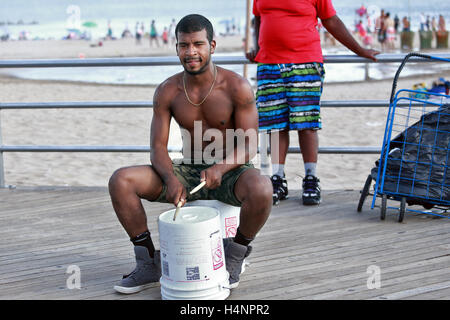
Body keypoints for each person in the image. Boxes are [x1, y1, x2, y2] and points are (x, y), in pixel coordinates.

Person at [109, 14, 273, 294]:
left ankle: (235, 254)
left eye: (198, 44)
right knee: (121, 180)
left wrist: (220, 168)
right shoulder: (168, 91)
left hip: (232, 170)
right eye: (184, 45)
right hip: (187, 170)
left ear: (212, 45)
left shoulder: (236, 87)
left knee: (262, 187)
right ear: (176, 48)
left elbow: (249, 143)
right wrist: (171, 179)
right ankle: (148, 263)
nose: (191, 52)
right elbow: (158, 147)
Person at [246, 0, 379, 206]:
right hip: (269, 64)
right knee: (275, 125)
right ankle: (278, 179)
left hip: (305, 62)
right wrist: (256, 47)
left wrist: (359, 50)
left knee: (307, 124)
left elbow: (331, 21)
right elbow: (258, 18)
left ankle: (310, 178)